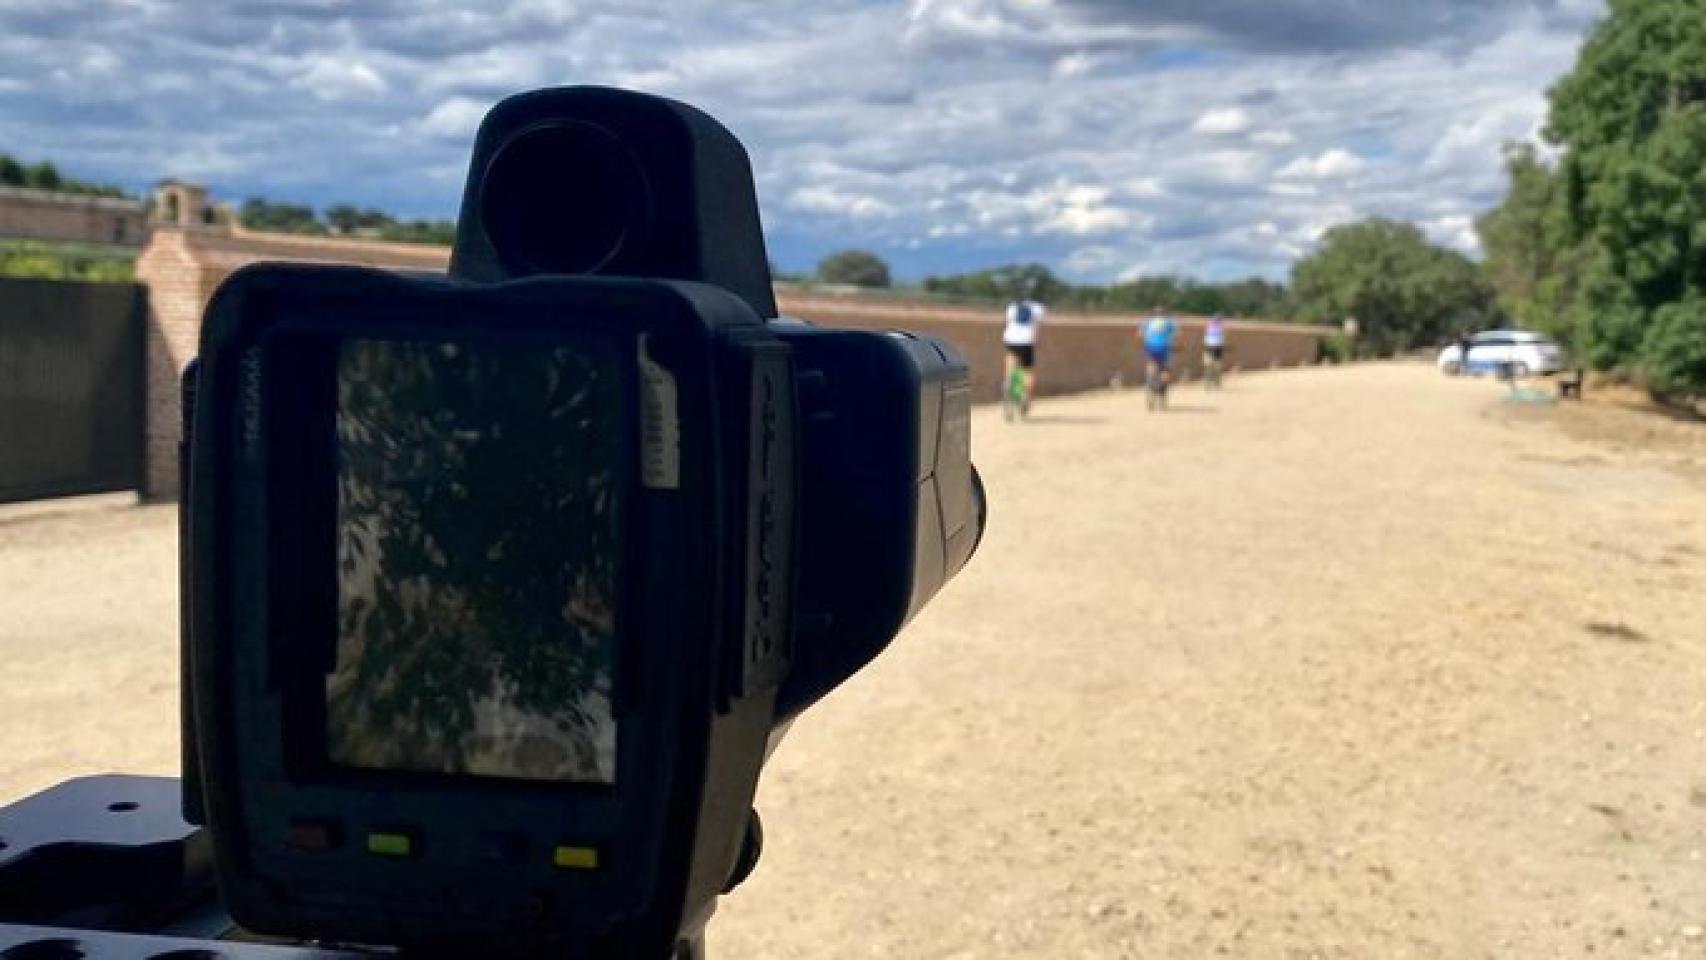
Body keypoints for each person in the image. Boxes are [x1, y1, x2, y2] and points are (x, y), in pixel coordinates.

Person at [1002, 294, 1045, 417]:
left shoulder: (1013, 307)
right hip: (1027, 340)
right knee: (1028, 370)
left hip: (1011, 338)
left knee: (1011, 358)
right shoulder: (1038, 308)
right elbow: (1036, 327)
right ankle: (1026, 395)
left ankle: (1008, 381)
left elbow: (1009, 323)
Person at [1140, 305, 1177, 387]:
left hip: (1150, 346)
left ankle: (1150, 382)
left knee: (1151, 363)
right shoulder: (1169, 322)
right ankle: (1163, 387)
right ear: (1164, 313)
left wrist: (1145, 344)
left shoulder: (1147, 321)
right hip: (1164, 346)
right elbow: (1174, 336)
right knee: (1165, 368)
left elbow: (1141, 334)